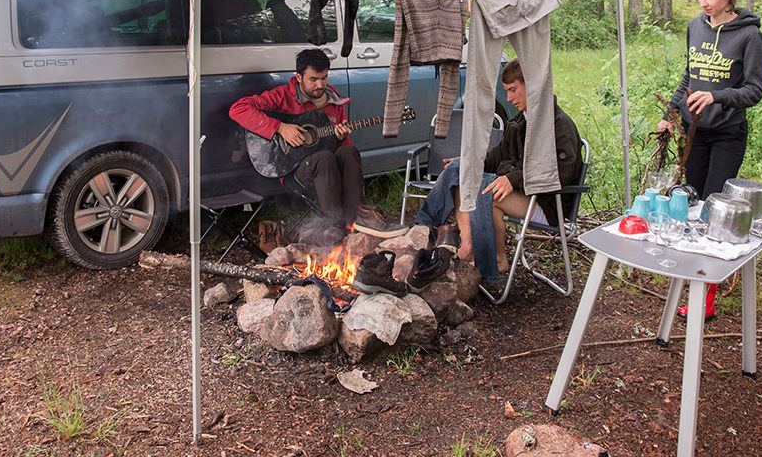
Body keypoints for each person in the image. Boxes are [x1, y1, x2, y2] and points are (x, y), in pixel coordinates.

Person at [656, 0, 762, 319]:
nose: (703, 2)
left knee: (713, 212)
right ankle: (693, 278)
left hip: (727, 134)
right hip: (694, 133)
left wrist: (717, 96)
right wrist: (671, 116)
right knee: (690, 206)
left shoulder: (750, 36)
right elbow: (689, 77)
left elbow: (754, 90)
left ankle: (708, 297)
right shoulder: (695, 28)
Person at [414, 58, 584, 284]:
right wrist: (469, 162)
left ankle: (491, 261)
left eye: (513, 90)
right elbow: (495, 156)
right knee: (461, 171)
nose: (509, 98)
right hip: (524, 192)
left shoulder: (559, 124)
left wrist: (512, 180)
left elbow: (562, 172)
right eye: (507, 91)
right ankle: (439, 235)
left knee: (484, 191)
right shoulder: (521, 121)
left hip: (547, 201)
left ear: (531, 84)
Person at [229, 49, 388, 236]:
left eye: (324, 78)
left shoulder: (333, 100)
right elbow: (238, 109)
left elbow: (342, 150)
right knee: (323, 158)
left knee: (349, 152)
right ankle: (334, 226)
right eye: (313, 79)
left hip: (327, 172)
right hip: (292, 172)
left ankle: (355, 219)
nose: (320, 85)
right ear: (298, 77)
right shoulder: (282, 96)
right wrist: (280, 127)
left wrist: (339, 137)